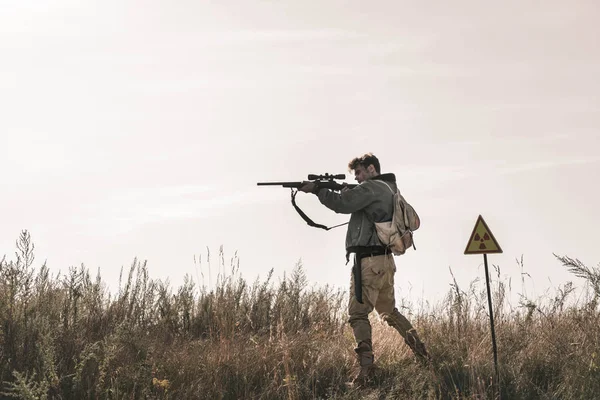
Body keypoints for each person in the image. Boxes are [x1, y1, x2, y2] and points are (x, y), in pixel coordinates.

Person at [298, 152, 429, 385]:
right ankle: (423, 355)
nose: (357, 178)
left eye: (359, 172)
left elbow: (342, 204)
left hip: (369, 263)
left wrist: (318, 190)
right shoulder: (388, 188)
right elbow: (354, 202)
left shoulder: (371, 188)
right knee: (391, 313)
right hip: (385, 262)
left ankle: (366, 372)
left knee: (357, 314)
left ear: (371, 169)